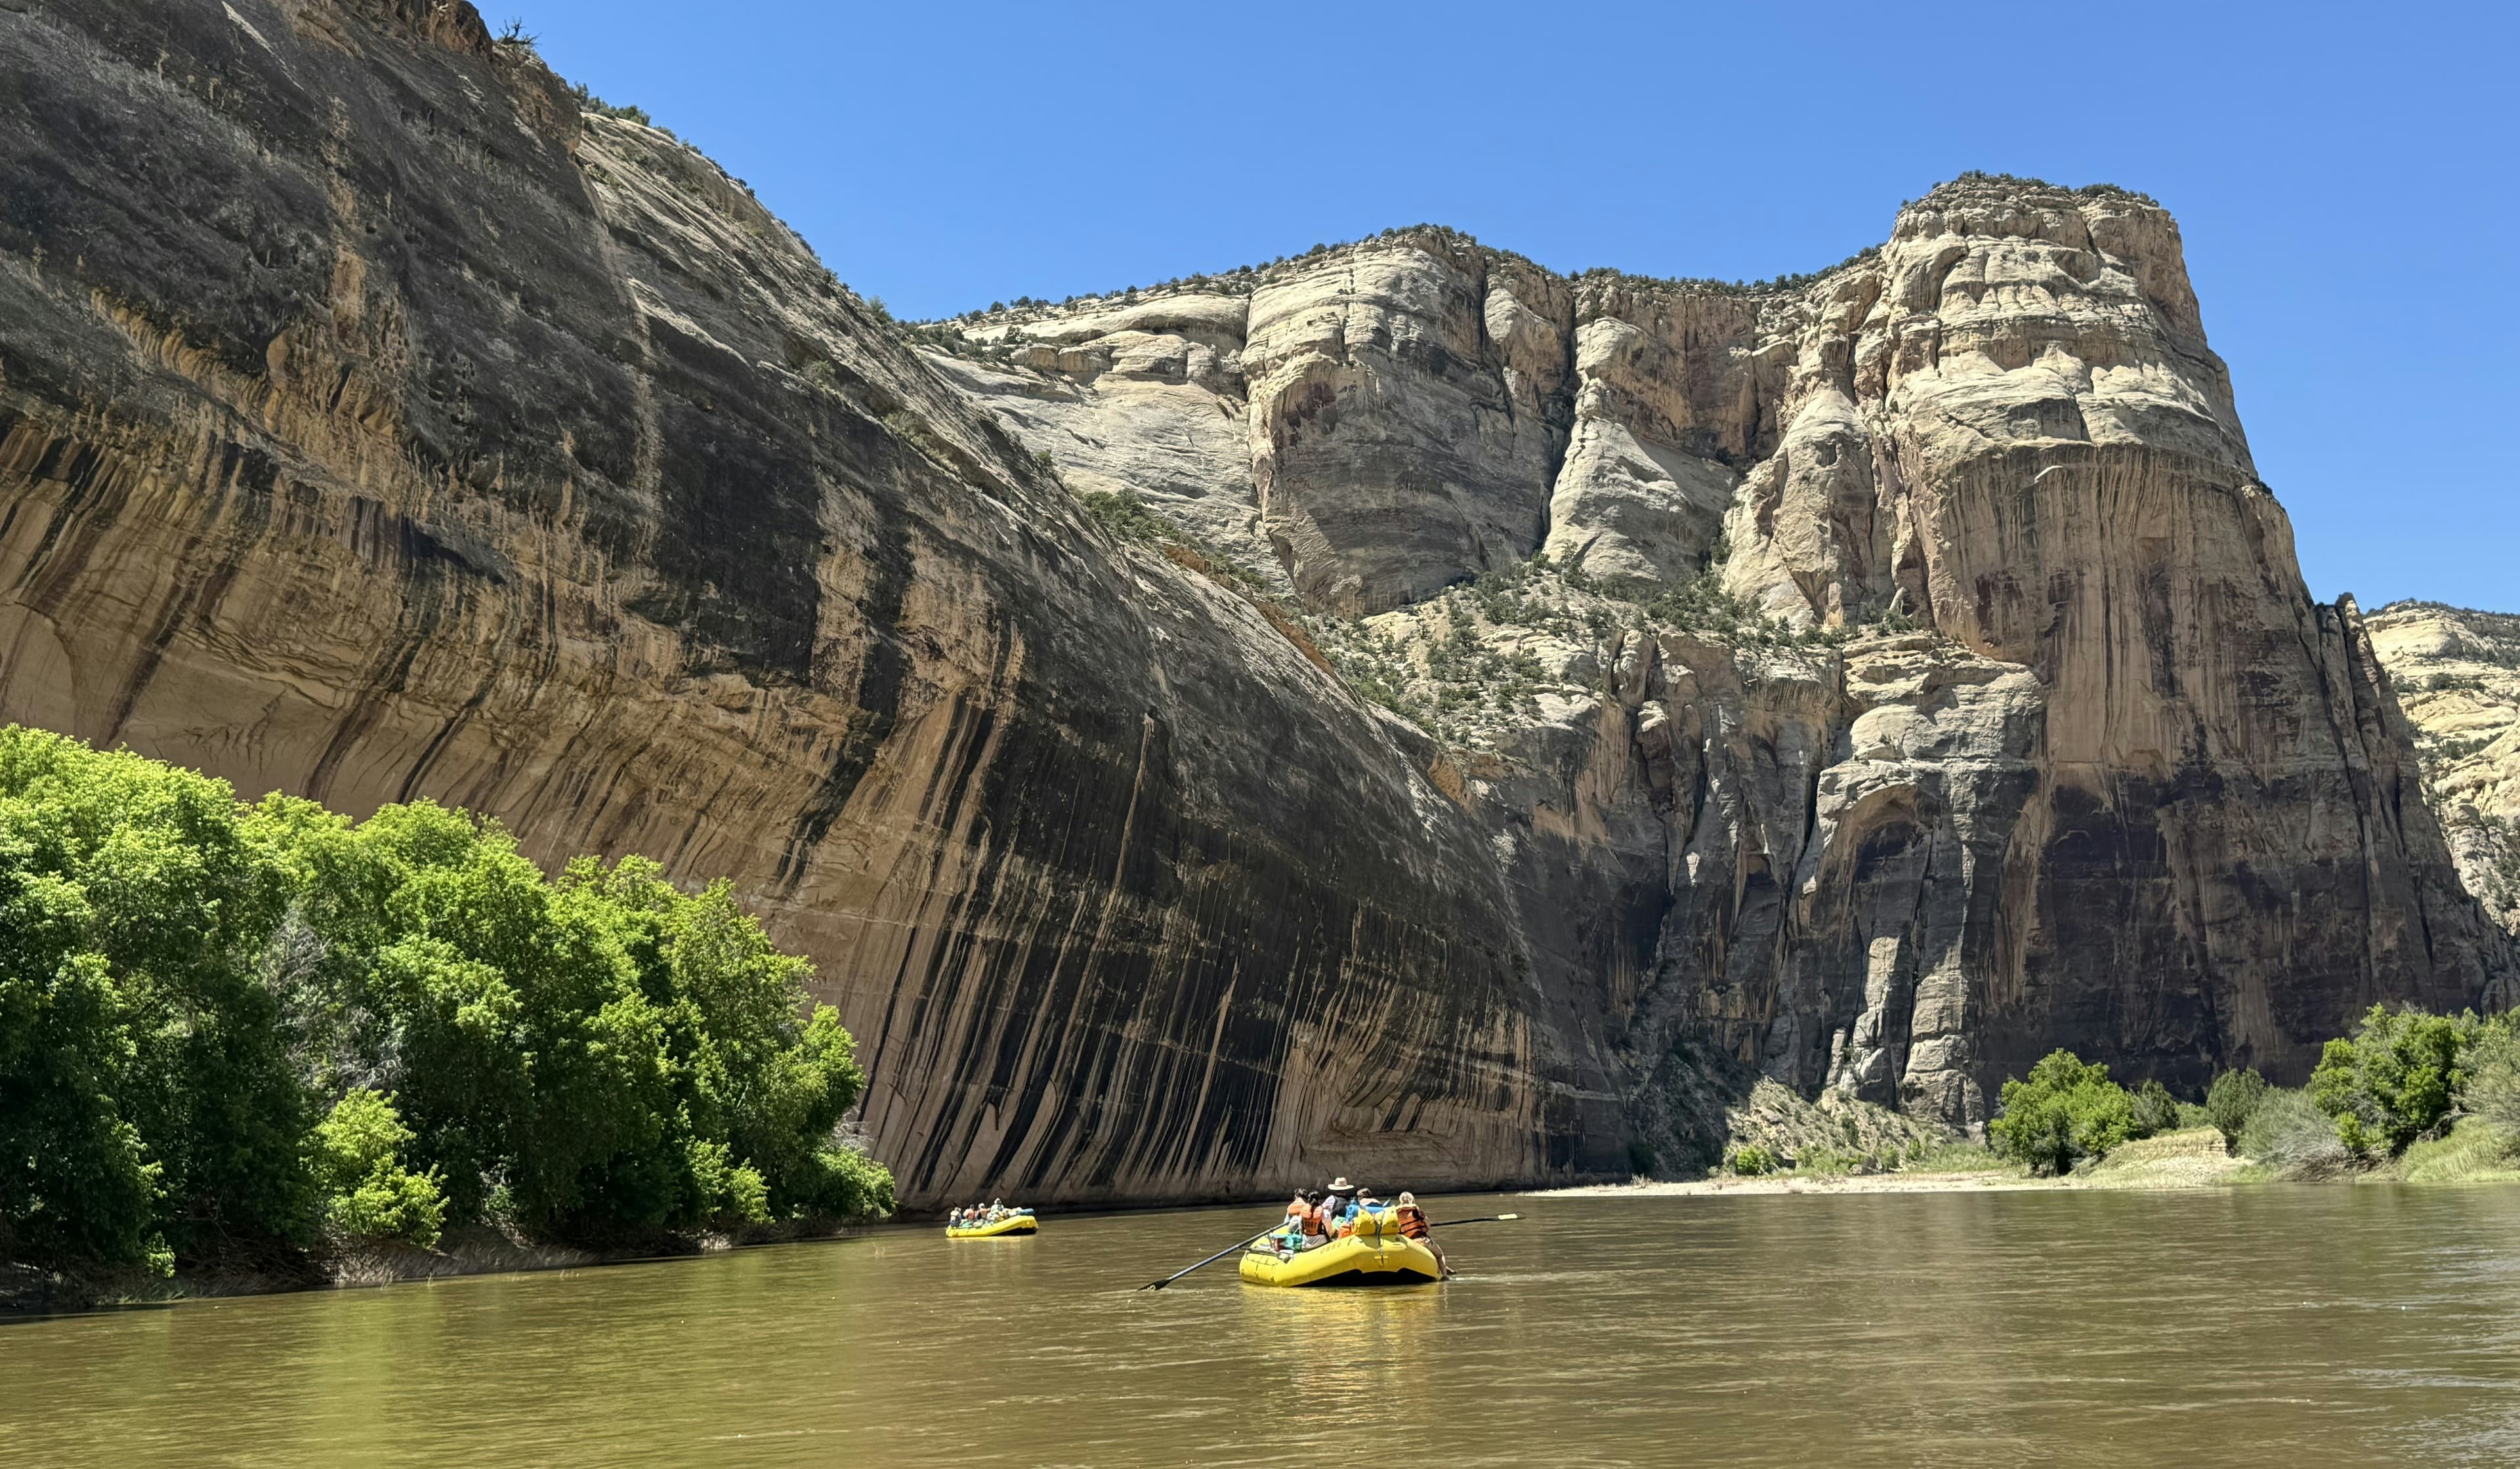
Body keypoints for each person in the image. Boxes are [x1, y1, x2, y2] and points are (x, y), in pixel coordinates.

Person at [1393, 1191, 1450, 1277]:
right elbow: (1428, 1225)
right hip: (1422, 1240)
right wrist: (1426, 1228)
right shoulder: (1416, 1211)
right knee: (1440, 1254)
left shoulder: (1396, 1214)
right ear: (1412, 1199)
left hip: (1409, 1244)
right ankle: (1445, 1276)